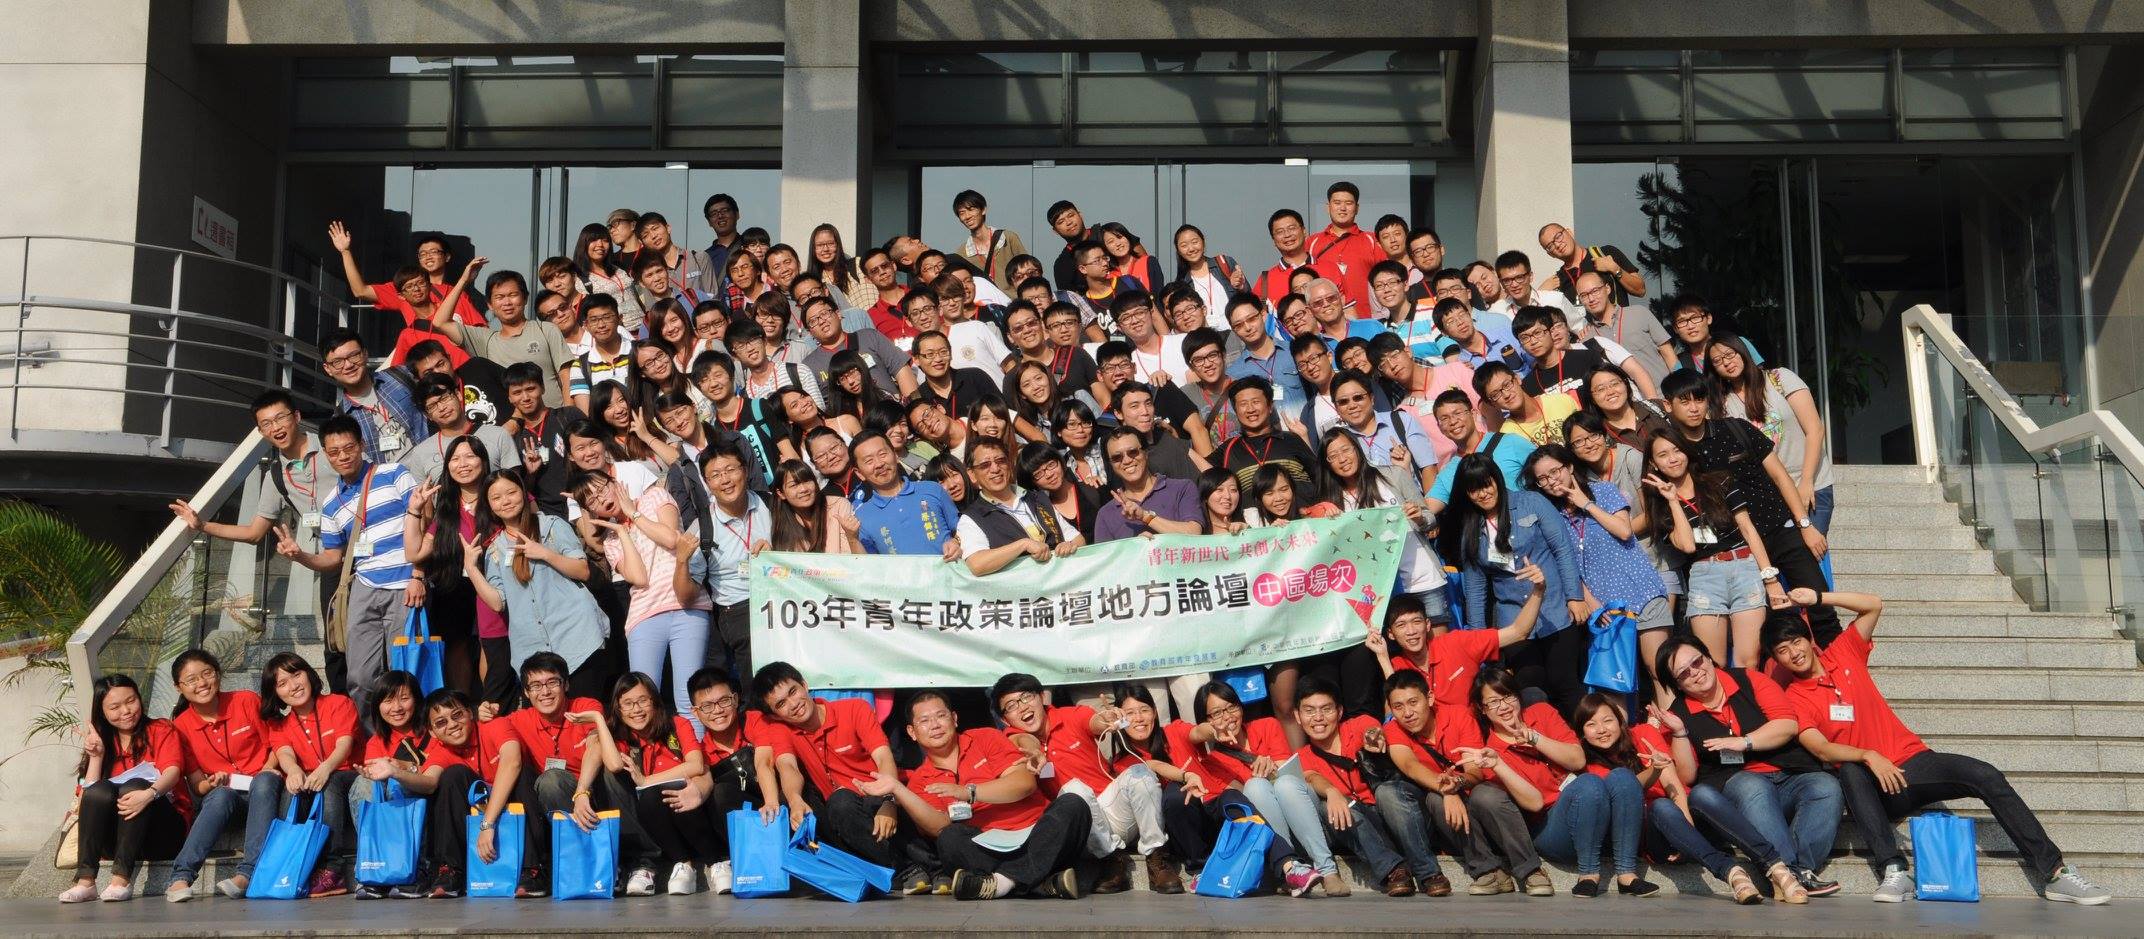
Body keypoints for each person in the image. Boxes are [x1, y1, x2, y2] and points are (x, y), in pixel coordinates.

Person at [1765, 588, 2112, 905]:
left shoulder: (1844, 653)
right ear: (1777, 660)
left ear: (1809, 639)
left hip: (1912, 762)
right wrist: (1869, 755)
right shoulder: (1794, 698)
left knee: (1986, 775)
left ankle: (2055, 873)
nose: (1793, 653)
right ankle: (1894, 870)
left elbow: (1873, 605)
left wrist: (1818, 598)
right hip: (1872, 787)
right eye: (1782, 651)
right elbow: (1822, 749)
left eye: (1796, 642)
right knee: (1850, 772)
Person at [1661, 367, 1838, 646]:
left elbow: (1780, 476)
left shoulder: (1736, 428)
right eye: (1685, 401)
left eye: (1699, 399)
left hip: (1780, 529)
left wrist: (1804, 525)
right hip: (1738, 549)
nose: (1694, 408)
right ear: (1668, 405)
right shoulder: (1673, 452)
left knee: (1821, 607)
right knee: (1770, 628)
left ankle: (1843, 670)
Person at [849, 692, 1083, 902]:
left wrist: (970, 792)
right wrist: (897, 789)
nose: (935, 725)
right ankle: (1040, 882)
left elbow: (1025, 783)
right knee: (949, 839)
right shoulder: (921, 779)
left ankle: (1004, 883)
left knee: (1073, 804)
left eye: (941, 716)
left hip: (1039, 834)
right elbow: (938, 826)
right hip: (989, 848)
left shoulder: (986, 737)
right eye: (925, 720)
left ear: (954, 718)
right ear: (912, 732)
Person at [1654, 635, 1835, 898]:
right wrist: (1680, 733)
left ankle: (1802, 870)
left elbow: (1787, 724)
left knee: (1826, 786)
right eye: (1683, 673)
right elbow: (1687, 776)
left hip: (1787, 773)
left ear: (1708, 657)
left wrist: (1745, 742)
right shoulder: (1678, 714)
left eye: (1697, 661)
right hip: (1736, 787)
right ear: (1677, 685)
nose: (1695, 672)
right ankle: (1786, 871)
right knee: (1752, 785)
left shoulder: (1749, 679)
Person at [273, 415, 420, 713]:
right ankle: (371, 734)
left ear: (362, 445)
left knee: (405, 673)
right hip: (363, 587)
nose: (343, 456)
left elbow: (426, 525)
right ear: (326, 455)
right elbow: (333, 558)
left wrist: (418, 575)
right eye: (334, 452)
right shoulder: (331, 503)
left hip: (404, 583)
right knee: (360, 677)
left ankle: (410, 735)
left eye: (349, 448)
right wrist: (300, 555)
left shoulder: (395, 474)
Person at [992, 674, 1176, 894]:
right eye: (1011, 706)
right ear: (1005, 720)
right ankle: (1111, 861)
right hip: (1081, 829)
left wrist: (1106, 719)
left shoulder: (1070, 715)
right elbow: (1023, 740)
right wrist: (1034, 751)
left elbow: (1094, 722)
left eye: (1026, 697)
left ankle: (1157, 857)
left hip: (1114, 810)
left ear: (1042, 697)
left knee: (1140, 772)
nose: (1022, 707)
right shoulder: (1012, 739)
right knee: (1074, 790)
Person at [1444, 453, 1588, 713]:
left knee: (1564, 681)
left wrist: (1574, 596)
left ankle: (1583, 736)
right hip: (1513, 619)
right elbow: (1475, 589)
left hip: (1555, 608)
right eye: (1474, 489)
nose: (1483, 494)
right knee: (1529, 685)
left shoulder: (1531, 502)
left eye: (1486, 484)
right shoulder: (1470, 529)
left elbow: (1562, 550)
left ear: (1497, 479)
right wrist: (1478, 639)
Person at [750, 663, 917, 878]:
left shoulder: (855, 708)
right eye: (781, 704)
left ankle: (908, 869)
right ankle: (883, 871)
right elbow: (787, 766)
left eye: (793, 691)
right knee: (813, 803)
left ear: (805, 685)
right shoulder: (780, 729)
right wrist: (795, 800)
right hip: (842, 815)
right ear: (775, 715)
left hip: (880, 799)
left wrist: (889, 801)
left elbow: (884, 757)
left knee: (841, 802)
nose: (793, 704)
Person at [1640, 430, 1784, 669]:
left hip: (1744, 567)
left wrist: (1770, 579)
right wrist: (1673, 501)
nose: (1673, 459)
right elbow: (1687, 545)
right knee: (1712, 663)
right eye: (1663, 455)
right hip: (1704, 577)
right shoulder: (1660, 506)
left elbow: (1748, 529)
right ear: (1654, 463)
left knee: (1748, 661)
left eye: (1677, 450)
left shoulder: (1721, 481)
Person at [465, 468, 612, 698]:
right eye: (496, 497)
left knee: (586, 709)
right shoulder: (494, 548)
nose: (505, 501)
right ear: (490, 506)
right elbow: (497, 603)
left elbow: (582, 570)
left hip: (577, 635)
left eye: (511, 492)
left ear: (524, 494)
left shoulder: (552, 526)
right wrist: (472, 568)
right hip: (533, 649)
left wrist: (545, 554)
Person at [1185, 681, 1337, 896]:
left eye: (1231, 707)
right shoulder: (1213, 762)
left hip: (1304, 813)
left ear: (1241, 707)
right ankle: (1289, 869)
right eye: (1217, 713)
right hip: (1273, 829)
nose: (1227, 717)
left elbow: (1290, 774)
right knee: (1255, 786)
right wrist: (1259, 777)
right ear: (1206, 721)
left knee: (1285, 784)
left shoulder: (1267, 725)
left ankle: (1328, 870)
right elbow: (1244, 802)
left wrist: (1271, 768)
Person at [575, 672, 718, 897]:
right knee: (632, 789)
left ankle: (710, 861)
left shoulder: (677, 724)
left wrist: (647, 781)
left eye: (643, 700)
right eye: (627, 704)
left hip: (686, 812)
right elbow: (614, 765)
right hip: (649, 820)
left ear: (654, 701)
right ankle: (658, 863)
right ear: (617, 708)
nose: (637, 710)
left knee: (671, 793)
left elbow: (696, 764)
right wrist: (599, 720)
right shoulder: (618, 736)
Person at [1448, 667, 1583, 898]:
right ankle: (1533, 870)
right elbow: (1535, 804)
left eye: (1508, 696)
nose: (1504, 706)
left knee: (1594, 784)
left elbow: (1578, 760)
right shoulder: (1490, 753)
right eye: (1493, 702)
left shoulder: (1542, 712)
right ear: (1482, 709)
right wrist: (1497, 763)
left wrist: (1535, 737)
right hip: (1545, 823)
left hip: (1576, 804)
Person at [164, 650, 280, 902]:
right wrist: (210, 783)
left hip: (268, 791)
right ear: (178, 687)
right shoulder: (181, 726)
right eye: (191, 679)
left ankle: (247, 873)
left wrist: (267, 767)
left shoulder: (245, 701)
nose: (201, 683)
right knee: (220, 796)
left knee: (265, 780)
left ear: (217, 674)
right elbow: (197, 785)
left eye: (207, 673)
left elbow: (278, 744)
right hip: (231, 800)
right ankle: (181, 876)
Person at [61, 675, 188, 903]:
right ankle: (86, 882)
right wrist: (96, 757)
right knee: (99, 791)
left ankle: (121, 880)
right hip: (115, 840)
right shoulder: (102, 741)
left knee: (135, 785)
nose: (126, 711)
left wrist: (149, 794)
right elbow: (87, 799)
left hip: (162, 834)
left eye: (131, 701)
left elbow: (173, 771)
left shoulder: (161, 729)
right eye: (115, 707)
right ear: (102, 712)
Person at [411, 688, 549, 898]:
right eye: (441, 722)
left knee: (522, 774)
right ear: (432, 732)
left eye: (457, 715)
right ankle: (451, 870)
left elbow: (512, 762)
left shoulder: (494, 725)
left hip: (513, 804)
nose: (452, 725)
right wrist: (394, 772)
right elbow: (429, 783)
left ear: (470, 712)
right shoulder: (442, 749)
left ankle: (533, 869)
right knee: (451, 777)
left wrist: (487, 824)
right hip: (483, 814)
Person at [1522, 444, 1671, 634]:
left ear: (1569, 467)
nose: (1551, 480)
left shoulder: (1603, 490)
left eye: (1554, 471)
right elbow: (1564, 563)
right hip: (1605, 607)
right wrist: (1590, 602)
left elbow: (1625, 531)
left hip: (1643, 592)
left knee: (1656, 654)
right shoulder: (1550, 515)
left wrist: (1586, 504)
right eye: (1542, 478)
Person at [1291, 678, 1417, 896]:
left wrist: (1373, 737)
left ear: (1339, 711)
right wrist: (1332, 792)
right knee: (1326, 807)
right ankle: (1394, 870)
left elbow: (1372, 731)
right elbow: (1312, 777)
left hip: (1385, 814)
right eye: (1309, 711)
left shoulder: (1358, 725)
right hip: (1348, 823)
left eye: (1326, 709)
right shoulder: (1301, 757)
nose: (1318, 718)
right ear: (1297, 717)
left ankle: (1403, 865)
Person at [1707, 332, 1835, 534]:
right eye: (1717, 361)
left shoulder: (1780, 378)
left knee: (1814, 547)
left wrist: (1806, 482)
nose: (1726, 362)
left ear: (1742, 351)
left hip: (1811, 484)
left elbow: (1815, 430)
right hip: (1768, 494)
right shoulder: (1721, 405)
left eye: (1730, 354)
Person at [258, 653, 360, 898]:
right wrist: (293, 771)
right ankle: (288, 862)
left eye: (296, 675)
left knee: (329, 781)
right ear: (275, 693)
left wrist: (325, 768)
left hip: (348, 776)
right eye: (282, 683)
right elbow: (284, 753)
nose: (293, 686)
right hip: (315, 781)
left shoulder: (338, 703)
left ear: (309, 674)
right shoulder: (279, 725)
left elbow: (344, 745)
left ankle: (332, 868)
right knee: (291, 788)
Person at [427, 266, 577, 409]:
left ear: (525, 298)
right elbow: (440, 322)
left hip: (552, 418)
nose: (507, 302)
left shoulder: (546, 329)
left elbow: (566, 375)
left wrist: (568, 414)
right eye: (499, 297)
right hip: (510, 423)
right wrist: (463, 281)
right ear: (490, 305)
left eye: (513, 295)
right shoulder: (485, 340)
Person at [685, 440, 772, 689]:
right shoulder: (702, 526)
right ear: (707, 483)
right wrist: (681, 560)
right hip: (738, 608)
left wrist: (776, 553)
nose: (725, 480)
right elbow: (686, 595)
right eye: (715, 475)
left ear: (745, 470)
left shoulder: (770, 504)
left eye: (730, 470)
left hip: (780, 596)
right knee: (758, 681)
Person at [349, 670, 430, 899]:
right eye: (388, 700)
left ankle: (417, 867)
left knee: (398, 783)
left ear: (417, 700)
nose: (396, 708)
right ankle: (375, 862)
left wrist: (404, 768)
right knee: (363, 783)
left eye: (404, 698)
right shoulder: (377, 741)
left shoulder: (432, 731)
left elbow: (439, 774)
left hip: (425, 802)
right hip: (390, 811)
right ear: (377, 706)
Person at [955, 437, 1081, 576]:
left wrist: (1070, 546)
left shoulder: (1037, 498)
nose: (995, 469)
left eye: (1000, 461)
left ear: (1009, 463)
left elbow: (1077, 538)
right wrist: (1023, 545)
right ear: (972, 474)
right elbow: (977, 564)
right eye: (985, 465)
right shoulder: (972, 518)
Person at [848, 431, 962, 558]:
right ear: (859, 473)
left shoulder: (932, 489)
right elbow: (867, 565)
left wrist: (956, 541)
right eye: (869, 461)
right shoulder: (861, 517)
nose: (879, 464)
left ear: (895, 455)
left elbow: (961, 528)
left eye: (882, 454)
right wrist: (852, 539)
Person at [324, 328, 430, 464]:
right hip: (390, 477)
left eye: (354, 355)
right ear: (328, 369)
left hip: (432, 466)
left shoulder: (400, 376)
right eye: (338, 362)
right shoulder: (341, 420)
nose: (348, 365)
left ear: (365, 354)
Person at [1422, 389, 1532, 513]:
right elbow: (1426, 512)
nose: (1453, 422)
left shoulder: (1510, 442)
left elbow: (1543, 469)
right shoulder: (1448, 473)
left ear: (1473, 413)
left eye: (1458, 413)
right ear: (1439, 427)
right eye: (1444, 419)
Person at [397, 374, 516, 484]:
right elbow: (422, 496)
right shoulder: (420, 453)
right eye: (432, 406)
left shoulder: (498, 435)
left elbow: (515, 486)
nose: (442, 408)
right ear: (427, 416)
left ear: (458, 394)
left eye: (444, 398)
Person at [1093, 427, 1204, 541]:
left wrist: (1146, 516)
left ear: (1146, 452)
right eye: (1117, 457)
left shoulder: (1182, 488)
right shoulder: (1105, 514)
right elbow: (1106, 553)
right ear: (1110, 464)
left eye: (1133, 452)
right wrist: (1134, 547)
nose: (1127, 461)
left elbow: (1194, 533)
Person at [1572, 271, 1674, 387]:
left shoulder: (1639, 313)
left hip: (1664, 393)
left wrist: (1682, 388)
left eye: (1595, 291)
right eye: (1584, 295)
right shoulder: (1587, 339)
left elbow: (1668, 353)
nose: (1591, 299)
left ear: (1607, 289)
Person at [1304, 182, 1383, 315]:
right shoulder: (1311, 243)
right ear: (1328, 207)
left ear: (1357, 208)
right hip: (1324, 322)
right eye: (1337, 203)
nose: (1342, 208)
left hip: (1366, 320)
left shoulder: (1373, 240)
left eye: (1348, 203)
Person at [1540, 222, 1647, 307]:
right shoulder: (1558, 281)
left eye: (1558, 236)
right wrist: (1541, 294)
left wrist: (1615, 269)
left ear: (1569, 232)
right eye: (1550, 246)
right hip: (1587, 329)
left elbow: (1640, 290)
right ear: (1550, 254)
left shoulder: (1605, 253)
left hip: (1620, 326)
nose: (1557, 244)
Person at [1476, 360, 1578, 448]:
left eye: (1507, 385)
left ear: (1517, 379)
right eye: (1495, 394)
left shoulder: (1560, 401)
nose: (1506, 395)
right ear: (1491, 404)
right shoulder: (1508, 436)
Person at [1488, 250, 1583, 331]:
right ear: (1501, 283)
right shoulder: (1497, 312)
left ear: (1531, 276)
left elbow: (1581, 329)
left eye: (1519, 277)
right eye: (1507, 280)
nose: (1514, 284)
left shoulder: (1555, 300)